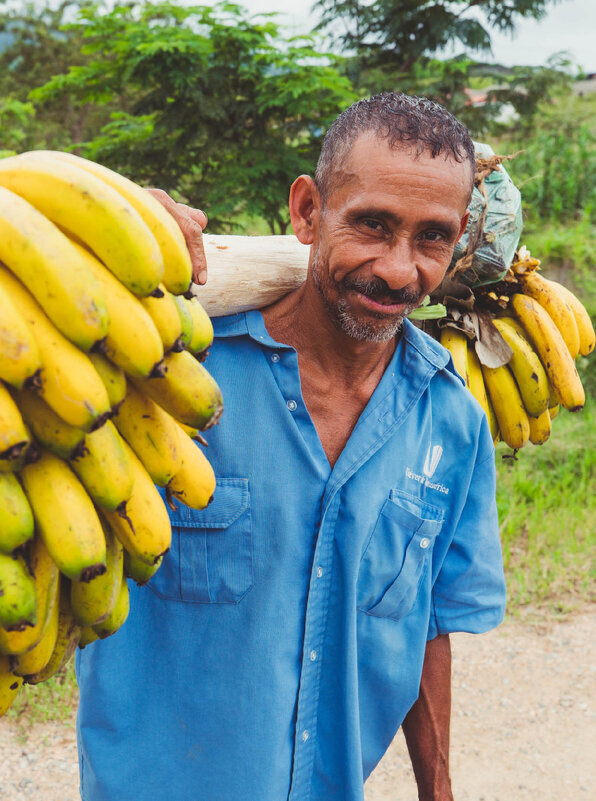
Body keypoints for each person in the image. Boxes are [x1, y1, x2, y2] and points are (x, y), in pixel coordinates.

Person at [75, 92, 507, 801]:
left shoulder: (450, 421)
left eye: (431, 237)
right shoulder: (163, 379)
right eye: (372, 224)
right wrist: (92, 233)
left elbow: (427, 619)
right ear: (307, 211)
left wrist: (439, 790)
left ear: (457, 240)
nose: (399, 270)